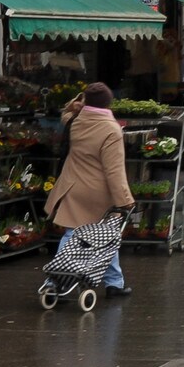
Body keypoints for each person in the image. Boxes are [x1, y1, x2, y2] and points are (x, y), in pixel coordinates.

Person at [45, 83, 133, 298]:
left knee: (85, 234)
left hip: (72, 186)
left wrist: (75, 104)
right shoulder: (111, 129)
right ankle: (57, 281)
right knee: (105, 235)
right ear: (108, 103)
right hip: (98, 193)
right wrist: (125, 199)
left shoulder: (75, 120)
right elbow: (114, 170)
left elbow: (65, 114)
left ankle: (113, 282)